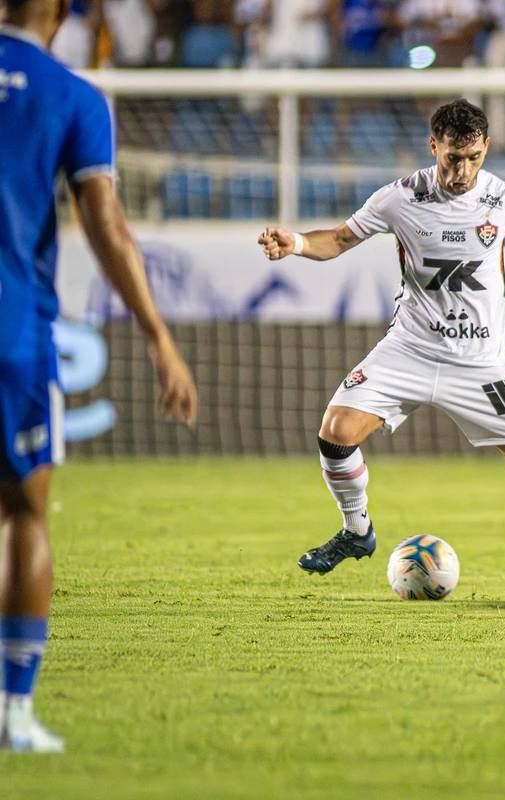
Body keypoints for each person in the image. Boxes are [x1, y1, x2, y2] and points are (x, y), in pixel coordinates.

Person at [257, 100, 505, 601]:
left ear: (486, 149)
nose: (462, 171)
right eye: (453, 158)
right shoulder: (399, 198)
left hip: (481, 363)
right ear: (433, 146)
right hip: (409, 349)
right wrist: (297, 243)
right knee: (336, 431)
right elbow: (340, 239)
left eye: (473, 158)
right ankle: (356, 530)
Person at [0, 1, 198, 751]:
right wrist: (157, 336)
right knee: (22, 515)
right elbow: (105, 224)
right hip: (12, 332)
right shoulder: (72, 95)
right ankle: (14, 713)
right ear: (55, 11)